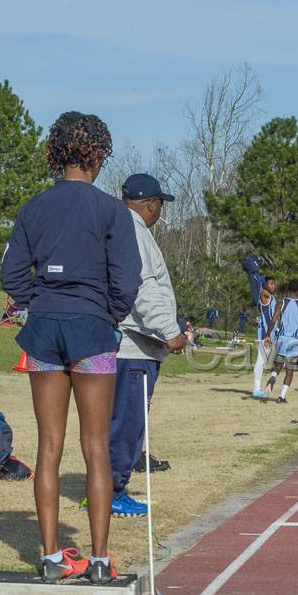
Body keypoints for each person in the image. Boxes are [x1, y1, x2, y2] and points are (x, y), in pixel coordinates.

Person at [1, 111, 140, 585]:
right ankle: (99, 560)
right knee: (96, 446)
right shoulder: (111, 210)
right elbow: (127, 279)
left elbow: (11, 275)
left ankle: (50, 557)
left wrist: (36, 301)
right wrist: (108, 314)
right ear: (98, 155)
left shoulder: (34, 208)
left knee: (49, 447)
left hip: (43, 329)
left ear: (55, 154)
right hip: (92, 329)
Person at [107, 173, 187, 518]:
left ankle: (106, 488)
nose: (160, 213)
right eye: (160, 205)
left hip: (127, 346)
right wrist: (170, 330)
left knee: (119, 423)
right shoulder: (134, 232)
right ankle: (112, 491)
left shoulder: (116, 227)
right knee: (127, 425)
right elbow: (143, 288)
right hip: (134, 350)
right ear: (151, 204)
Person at [262, 279, 298, 404]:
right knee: (290, 370)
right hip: (294, 341)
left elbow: (273, 321)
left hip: (282, 339)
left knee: (277, 365)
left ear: (288, 289)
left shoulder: (281, 303)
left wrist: (268, 335)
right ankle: (282, 397)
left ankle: (273, 377)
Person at [250, 276, 278, 399]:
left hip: (270, 334)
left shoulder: (272, 297)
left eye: (274, 284)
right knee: (260, 361)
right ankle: (256, 389)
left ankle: (260, 387)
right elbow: (260, 291)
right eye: (271, 284)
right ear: (265, 285)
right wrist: (255, 275)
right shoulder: (265, 296)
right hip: (265, 334)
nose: (273, 286)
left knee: (266, 360)